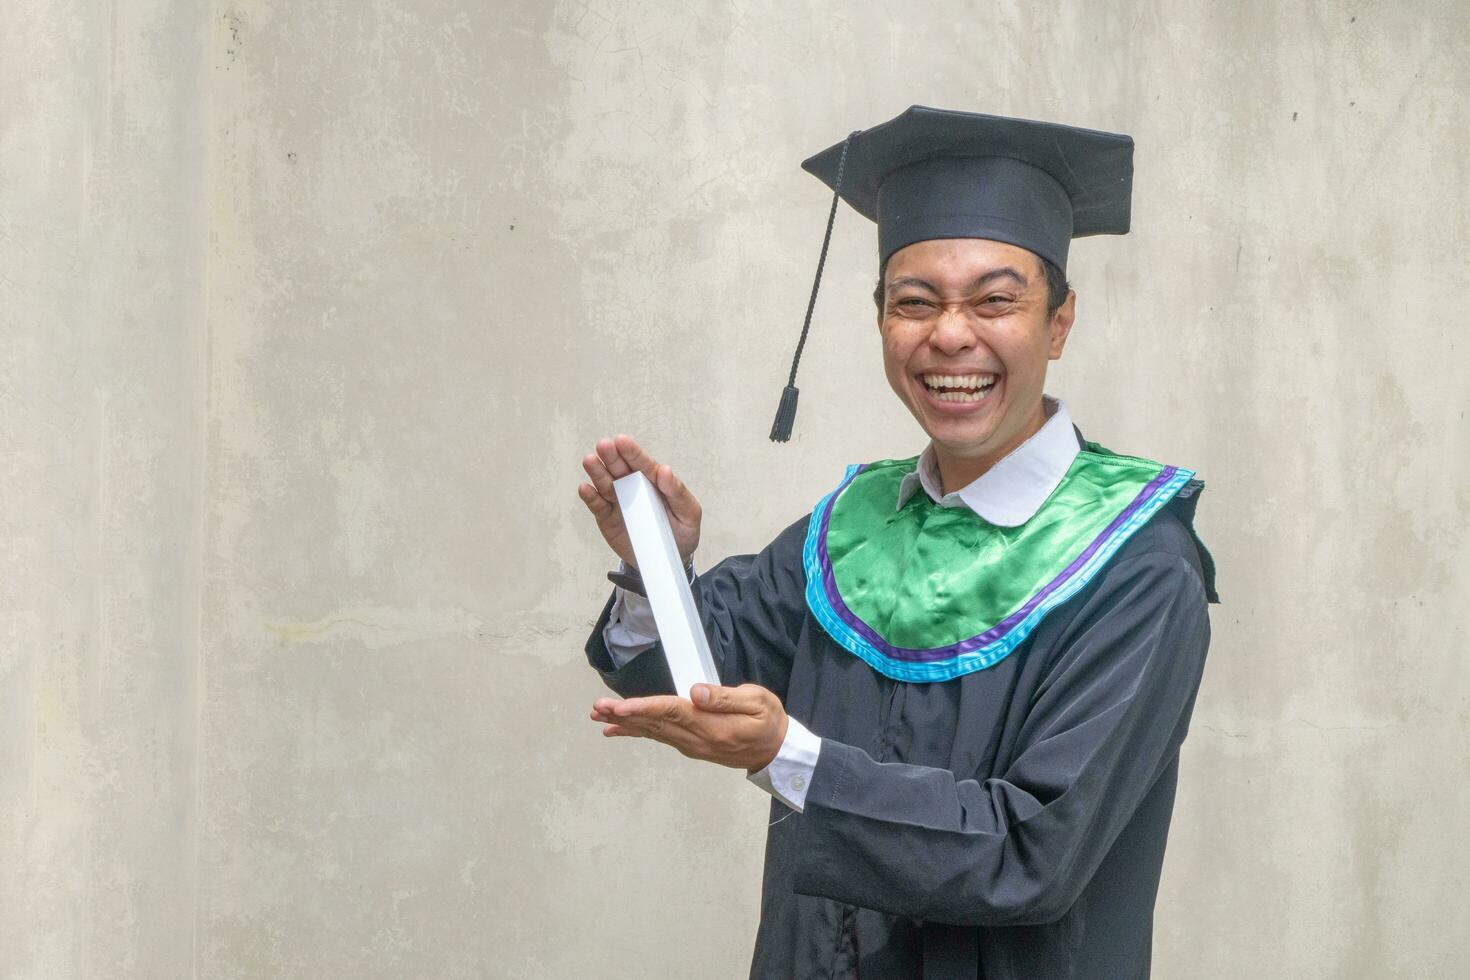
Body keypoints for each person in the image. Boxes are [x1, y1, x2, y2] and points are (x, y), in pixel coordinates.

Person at [576, 106, 1219, 979]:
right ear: (881, 320)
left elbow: (1035, 850)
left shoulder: (1136, 562)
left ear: (1059, 324)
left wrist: (789, 757)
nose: (950, 335)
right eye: (914, 303)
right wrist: (655, 560)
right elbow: (692, 681)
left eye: (995, 300)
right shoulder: (854, 522)